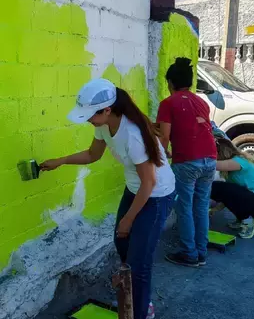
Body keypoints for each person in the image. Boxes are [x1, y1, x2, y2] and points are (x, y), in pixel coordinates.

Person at [40, 78, 176, 319]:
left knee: (138, 265)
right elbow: (93, 154)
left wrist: (129, 219)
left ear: (107, 110)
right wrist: (61, 161)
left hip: (156, 195)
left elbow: (150, 182)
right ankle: (137, 297)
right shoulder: (103, 125)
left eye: (91, 115)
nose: (89, 121)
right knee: (122, 243)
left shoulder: (133, 135)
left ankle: (140, 311)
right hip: (135, 189)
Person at [156, 57, 217, 267]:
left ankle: (189, 254)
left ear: (170, 83)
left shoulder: (168, 103)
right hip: (210, 159)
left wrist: (161, 157)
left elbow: (163, 137)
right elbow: (195, 129)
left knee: (184, 207)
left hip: (188, 163)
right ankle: (201, 252)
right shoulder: (201, 102)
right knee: (200, 207)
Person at [210, 138, 254, 239]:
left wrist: (195, 159)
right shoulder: (234, 167)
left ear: (222, 153)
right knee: (223, 190)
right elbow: (227, 198)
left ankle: (249, 221)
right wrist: (214, 210)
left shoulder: (239, 161)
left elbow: (212, 165)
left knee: (218, 187)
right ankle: (242, 219)